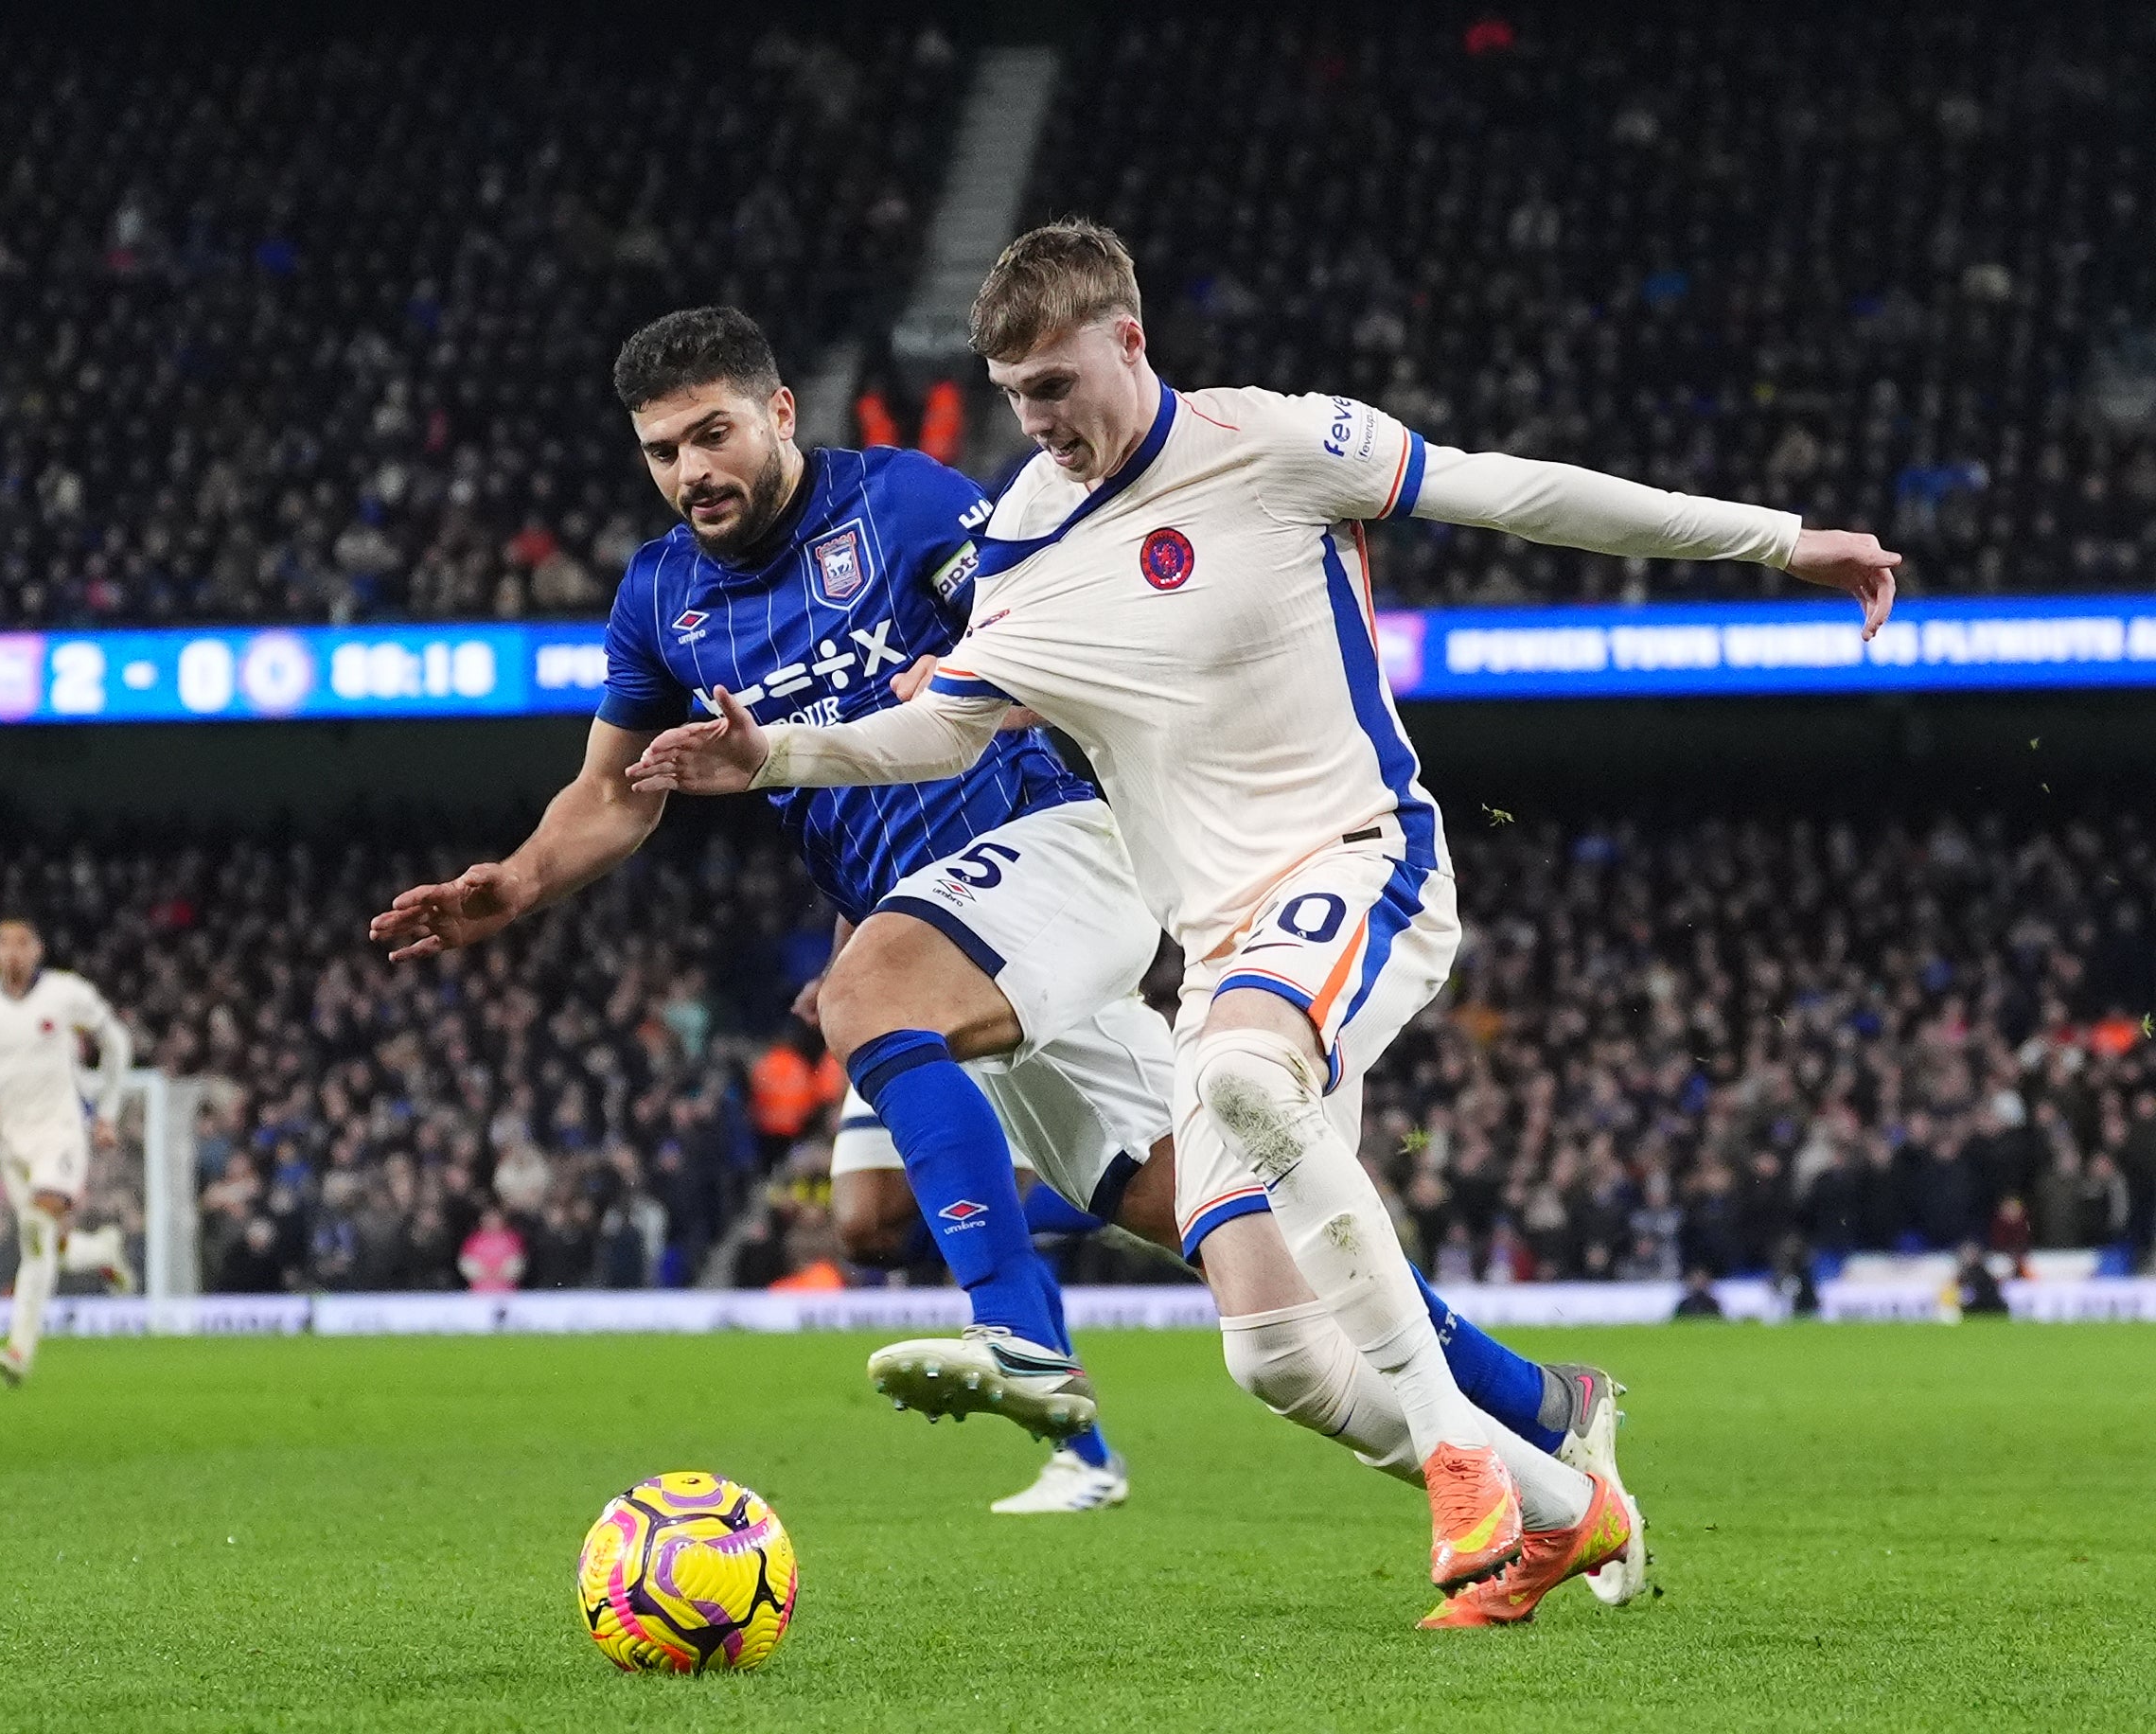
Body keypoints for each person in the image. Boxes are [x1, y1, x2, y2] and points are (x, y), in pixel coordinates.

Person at [628, 221, 1899, 1619]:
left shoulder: (1280, 443)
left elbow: (1513, 492)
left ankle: (1467, 1463)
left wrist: (1778, 540)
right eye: (1016, 398)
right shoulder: (1024, 548)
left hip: (1363, 860)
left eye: (1058, 383)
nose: (1041, 423)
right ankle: (1573, 1502)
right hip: (1218, 948)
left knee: (1243, 1069)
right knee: (1278, 1357)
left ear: (1129, 340)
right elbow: (941, 730)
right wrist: (778, 758)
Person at [0, 919, 137, 1385]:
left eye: (23, 943)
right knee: (49, 1244)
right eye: (4, 943)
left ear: (39, 950)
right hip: (12, 1143)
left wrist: (108, 1111)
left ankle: (19, 1351)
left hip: (62, 1132)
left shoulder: (67, 993)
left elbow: (116, 1042)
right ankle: (102, 1250)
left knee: (35, 1229)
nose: (14, 953)